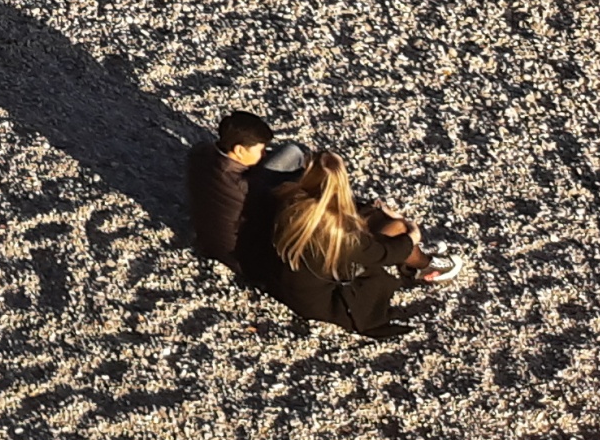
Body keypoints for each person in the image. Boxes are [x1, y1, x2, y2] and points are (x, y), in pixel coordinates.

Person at [242, 150, 465, 337]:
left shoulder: (290, 199)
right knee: (399, 231)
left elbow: (341, 209)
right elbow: (383, 253)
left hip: (286, 279)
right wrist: (411, 233)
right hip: (323, 300)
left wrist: (378, 211)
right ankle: (425, 264)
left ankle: (418, 260)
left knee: (377, 217)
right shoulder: (337, 233)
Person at [186, 110, 304, 274]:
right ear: (239, 150)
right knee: (292, 153)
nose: (263, 154)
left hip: (208, 242)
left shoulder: (198, 154)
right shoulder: (248, 186)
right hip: (244, 259)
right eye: (260, 150)